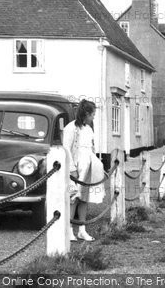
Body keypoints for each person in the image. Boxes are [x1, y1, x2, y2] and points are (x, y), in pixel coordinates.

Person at [63, 99, 105, 241]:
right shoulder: (71, 128)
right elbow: (66, 149)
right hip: (75, 168)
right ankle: (68, 230)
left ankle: (82, 229)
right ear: (86, 113)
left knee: (84, 198)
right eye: (92, 114)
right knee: (73, 198)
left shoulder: (89, 129)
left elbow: (91, 149)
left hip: (88, 167)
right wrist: (72, 169)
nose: (93, 117)